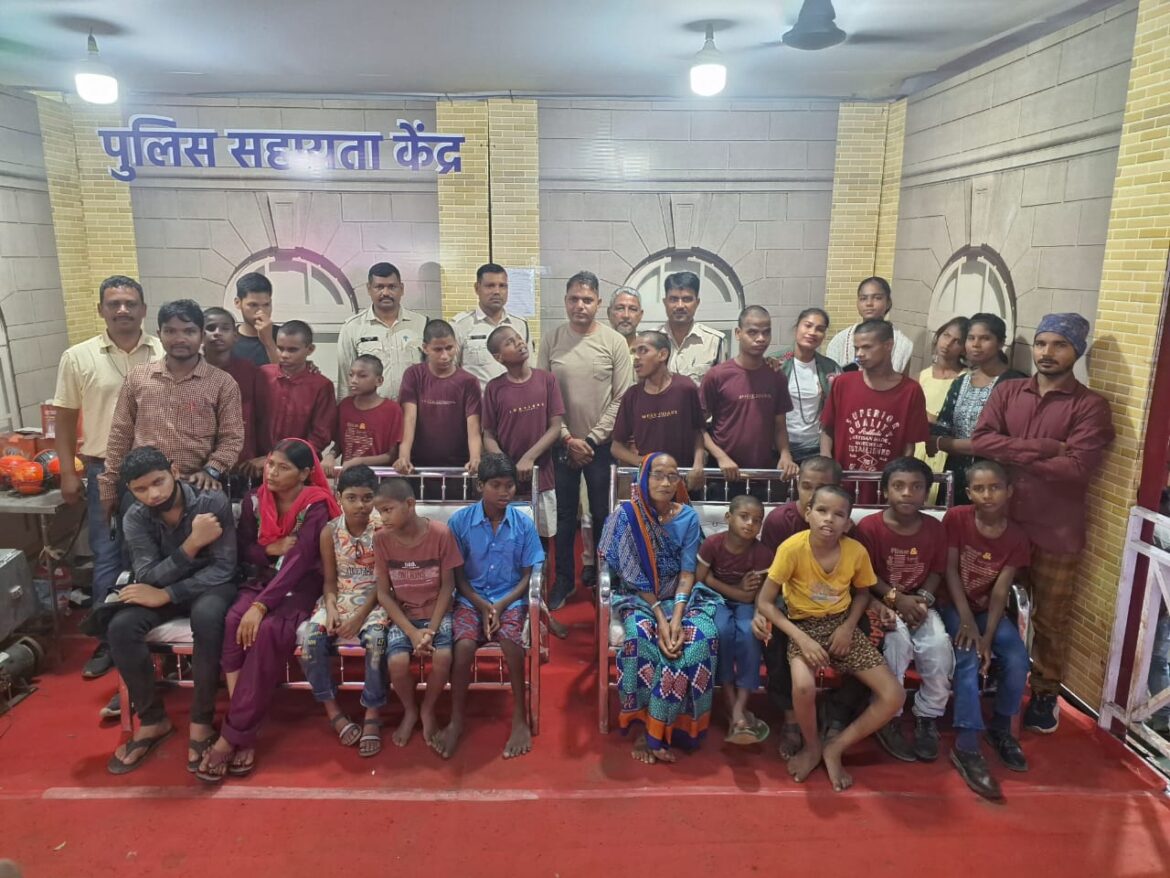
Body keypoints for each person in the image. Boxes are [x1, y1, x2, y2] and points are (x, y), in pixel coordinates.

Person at [972, 312, 1115, 734]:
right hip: (1002, 524)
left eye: (1059, 345)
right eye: (1040, 343)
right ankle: (995, 677)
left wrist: (1014, 453)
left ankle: (1045, 694)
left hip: (1057, 531)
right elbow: (982, 440)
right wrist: (1048, 448)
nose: (1047, 352)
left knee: (1051, 620)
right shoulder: (1009, 390)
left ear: (1077, 351)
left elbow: (1078, 469)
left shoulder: (1090, 405)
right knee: (991, 603)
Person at [197, 439, 341, 782]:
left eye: (283, 467)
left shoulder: (316, 505)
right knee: (234, 621)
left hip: (302, 585)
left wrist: (261, 606)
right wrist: (269, 550)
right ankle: (245, 728)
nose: (272, 472)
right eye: (270, 464)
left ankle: (233, 735)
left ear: (304, 473)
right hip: (261, 579)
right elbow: (245, 548)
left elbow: (301, 560)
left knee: (269, 631)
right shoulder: (254, 500)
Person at [754, 485, 904, 792]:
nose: (829, 519)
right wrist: (802, 639)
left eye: (838, 514)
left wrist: (848, 628)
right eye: (822, 511)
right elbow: (765, 603)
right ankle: (812, 747)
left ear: (847, 523)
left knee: (894, 696)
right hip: (802, 627)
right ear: (808, 513)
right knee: (803, 686)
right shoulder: (791, 548)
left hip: (840, 627)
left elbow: (862, 593)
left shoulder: (855, 551)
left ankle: (835, 747)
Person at [52, 274, 164, 680]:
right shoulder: (78, 357)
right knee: (108, 553)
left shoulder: (163, 351)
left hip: (157, 471)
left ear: (143, 309)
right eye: (114, 303)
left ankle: (151, 635)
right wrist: (68, 472)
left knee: (155, 551)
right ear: (101, 309)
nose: (122, 310)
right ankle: (107, 639)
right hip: (104, 470)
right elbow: (65, 419)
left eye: (130, 303)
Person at [103, 447, 237, 774]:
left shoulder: (210, 501)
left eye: (158, 482)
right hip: (161, 591)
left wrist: (167, 593)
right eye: (141, 489)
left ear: (174, 471)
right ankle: (152, 721)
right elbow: (147, 575)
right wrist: (191, 545)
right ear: (130, 490)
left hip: (210, 587)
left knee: (207, 617)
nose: (153, 494)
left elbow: (224, 568)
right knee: (121, 627)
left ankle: (201, 721)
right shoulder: (135, 516)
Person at [597, 453, 719, 763]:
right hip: (639, 597)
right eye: (658, 475)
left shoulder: (687, 517)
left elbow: (688, 572)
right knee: (640, 639)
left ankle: (677, 726)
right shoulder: (626, 516)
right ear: (643, 478)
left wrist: (675, 618)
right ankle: (645, 727)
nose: (665, 482)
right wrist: (661, 621)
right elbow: (632, 576)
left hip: (680, 597)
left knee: (701, 637)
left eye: (672, 476)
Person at [756, 455, 868, 755]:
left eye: (822, 487)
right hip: (787, 597)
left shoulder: (844, 525)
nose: (812, 494)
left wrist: (849, 624)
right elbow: (767, 577)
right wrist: (759, 611)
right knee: (774, 636)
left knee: (869, 635)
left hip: (836, 602)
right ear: (797, 485)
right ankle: (791, 718)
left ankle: (838, 711)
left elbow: (859, 582)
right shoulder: (779, 520)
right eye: (806, 486)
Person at [538, 272, 634, 610]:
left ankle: (605, 580)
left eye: (587, 300)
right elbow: (543, 393)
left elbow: (622, 397)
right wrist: (567, 438)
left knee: (604, 515)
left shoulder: (614, 342)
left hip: (601, 447)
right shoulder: (551, 339)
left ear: (598, 303)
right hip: (561, 445)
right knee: (565, 518)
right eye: (574, 299)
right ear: (566, 301)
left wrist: (591, 440)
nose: (580, 305)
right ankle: (563, 581)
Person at [440, 454, 543, 759]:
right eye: (495, 485)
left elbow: (528, 575)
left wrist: (500, 604)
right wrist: (482, 605)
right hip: (470, 598)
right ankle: (456, 719)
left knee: (511, 642)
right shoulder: (460, 522)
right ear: (480, 485)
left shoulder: (523, 524)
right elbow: (458, 576)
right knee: (463, 647)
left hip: (510, 598)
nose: (504, 492)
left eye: (509, 485)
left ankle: (519, 718)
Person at [100, 299, 244, 519]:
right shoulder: (138, 377)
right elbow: (120, 434)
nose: (180, 339)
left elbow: (232, 437)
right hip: (143, 489)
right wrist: (109, 486)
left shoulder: (222, 383)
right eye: (170, 331)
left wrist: (211, 469)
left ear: (201, 334)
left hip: (197, 487)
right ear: (159, 334)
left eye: (189, 331)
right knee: (139, 540)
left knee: (204, 541)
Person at [940, 460, 1032, 801]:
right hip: (952, 605)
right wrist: (966, 622)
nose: (987, 494)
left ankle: (1001, 728)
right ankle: (966, 744)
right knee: (966, 656)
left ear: (1009, 491)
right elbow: (950, 571)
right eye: (979, 488)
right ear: (969, 493)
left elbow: (999, 591)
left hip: (985, 611)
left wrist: (988, 639)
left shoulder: (1017, 536)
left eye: (994, 487)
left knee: (1017, 659)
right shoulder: (956, 518)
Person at [855, 457, 951, 764]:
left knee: (938, 646)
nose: (907, 493)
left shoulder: (934, 528)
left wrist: (921, 600)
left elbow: (937, 570)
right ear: (885, 491)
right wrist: (897, 599)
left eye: (916, 487)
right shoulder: (869, 528)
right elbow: (866, 575)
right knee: (897, 644)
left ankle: (928, 714)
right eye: (898, 486)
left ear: (926, 492)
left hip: (920, 603)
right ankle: (889, 714)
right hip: (882, 603)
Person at [298, 465, 389, 758]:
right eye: (352, 498)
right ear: (339, 498)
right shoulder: (330, 531)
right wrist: (332, 608)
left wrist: (359, 618)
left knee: (377, 641)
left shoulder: (383, 531)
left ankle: (373, 711)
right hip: (340, 597)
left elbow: (384, 582)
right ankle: (332, 709)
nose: (360, 505)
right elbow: (329, 580)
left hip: (375, 599)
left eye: (367, 497)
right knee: (311, 640)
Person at [372, 477, 461, 751]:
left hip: (437, 612)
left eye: (388, 510)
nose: (382, 517)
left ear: (410, 504)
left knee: (443, 657)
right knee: (397, 663)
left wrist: (430, 630)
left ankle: (428, 709)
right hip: (405, 615)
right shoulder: (381, 539)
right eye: (380, 511)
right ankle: (410, 709)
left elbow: (448, 586)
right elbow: (383, 593)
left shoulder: (441, 534)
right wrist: (412, 632)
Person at [820, 319, 930, 502]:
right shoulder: (843, 383)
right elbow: (827, 428)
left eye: (867, 347)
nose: (859, 354)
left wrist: (897, 483)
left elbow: (909, 446)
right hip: (843, 484)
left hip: (885, 488)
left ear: (888, 345)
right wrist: (827, 464)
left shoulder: (910, 391)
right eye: (856, 348)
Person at [696, 494, 773, 744]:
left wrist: (759, 613)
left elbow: (757, 593)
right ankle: (731, 703)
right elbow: (700, 578)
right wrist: (737, 590)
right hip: (714, 600)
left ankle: (740, 706)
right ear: (728, 517)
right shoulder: (712, 544)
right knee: (721, 632)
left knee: (750, 633)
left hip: (746, 605)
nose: (750, 523)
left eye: (757, 520)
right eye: (744, 516)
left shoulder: (761, 553)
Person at [928, 313, 1028, 504]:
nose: (976, 344)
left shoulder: (1015, 383)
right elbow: (942, 426)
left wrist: (943, 443)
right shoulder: (961, 382)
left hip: (994, 479)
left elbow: (1005, 442)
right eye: (971, 338)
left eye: (985, 338)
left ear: (1001, 343)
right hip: (957, 476)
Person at [483, 324, 564, 550]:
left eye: (519, 338)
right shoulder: (494, 388)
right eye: (510, 342)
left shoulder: (546, 380)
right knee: (509, 541)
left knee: (541, 542)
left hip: (542, 477)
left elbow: (555, 427)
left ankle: (542, 574)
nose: (519, 343)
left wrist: (529, 458)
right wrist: (506, 467)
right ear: (498, 357)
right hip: (507, 482)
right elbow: (488, 434)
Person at [701, 305, 798, 494]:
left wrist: (785, 454)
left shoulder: (776, 376)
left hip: (763, 475)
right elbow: (697, 426)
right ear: (738, 333)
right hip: (723, 476)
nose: (760, 338)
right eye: (752, 332)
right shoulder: (717, 375)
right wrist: (720, 457)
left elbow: (780, 425)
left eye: (766, 332)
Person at [612, 330, 705, 494]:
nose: (636, 358)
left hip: (683, 480)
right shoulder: (632, 395)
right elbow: (616, 447)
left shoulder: (685, 387)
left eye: (643, 350)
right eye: (634, 352)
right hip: (649, 482)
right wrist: (645, 462)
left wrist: (698, 464)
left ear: (662, 354)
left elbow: (699, 431)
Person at [394, 319, 483, 474]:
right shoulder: (414, 375)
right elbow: (409, 418)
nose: (445, 356)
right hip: (418, 464)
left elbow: (473, 426)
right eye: (438, 350)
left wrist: (475, 457)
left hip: (459, 465)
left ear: (456, 345)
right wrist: (403, 456)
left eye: (449, 348)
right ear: (425, 348)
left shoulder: (469, 382)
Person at [249, 321, 337, 474]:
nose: (284, 355)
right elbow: (248, 421)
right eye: (280, 348)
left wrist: (277, 459)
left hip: (299, 469)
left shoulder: (321, 386)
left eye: (292, 350)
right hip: (255, 466)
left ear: (310, 349)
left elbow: (320, 436)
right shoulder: (261, 375)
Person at [336, 262, 426, 401]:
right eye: (379, 287)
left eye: (392, 287)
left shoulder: (421, 323)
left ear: (401, 289)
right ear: (369, 289)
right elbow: (345, 382)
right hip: (370, 411)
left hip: (413, 410)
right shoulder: (352, 328)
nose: (385, 293)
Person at [768, 308, 841, 463]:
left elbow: (835, 414)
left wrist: (826, 453)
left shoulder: (830, 368)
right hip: (777, 448)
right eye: (807, 325)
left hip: (815, 448)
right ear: (796, 328)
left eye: (820, 329)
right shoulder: (773, 363)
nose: (812, 332)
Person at [453, 263, 531, 391]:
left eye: (502, 286)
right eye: (490, 286)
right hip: (478, 402)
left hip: (514, 401)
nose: (497, 292)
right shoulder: (460, 326)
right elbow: (450, 374)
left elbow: (528, 369)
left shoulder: (519, 325)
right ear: (477, 288)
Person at [203, 307, 259, 468]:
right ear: (200, 334)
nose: (217, 333)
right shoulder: (190, 371)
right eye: (211, 328)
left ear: (235, 336)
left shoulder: (249, 371)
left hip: (244, 463)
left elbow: (261, 417)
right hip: (201, 462)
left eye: (225, 328)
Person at [915, 317, 968, 482]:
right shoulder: (921, 376)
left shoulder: (966, 379)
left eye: (957, 341)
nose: (948, 343)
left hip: (947, 449)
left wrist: (926, 416)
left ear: (964, 349)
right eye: (946, 335)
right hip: (919, 447)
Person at [329, 354, 403, 472]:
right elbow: (340, 443)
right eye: (351, 375)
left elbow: (392, 455)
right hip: (349, 478)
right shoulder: (345, 406)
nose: (354, 380)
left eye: (362, 376)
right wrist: (330, 456)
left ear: (379, 381)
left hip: (378, 478)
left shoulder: (392, 410)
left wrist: (360, 461)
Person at [825, 277, 914, 374]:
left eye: (877, 298)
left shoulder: (903, 344)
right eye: (863, 298)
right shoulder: (839, 341)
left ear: (888, 302)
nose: (869, 303)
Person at [658, 271, 726, 385]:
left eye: (687, 299)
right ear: (665, 302)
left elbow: (721, 387)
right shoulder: (650, 340)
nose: (680, 306)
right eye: (674, 299)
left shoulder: (714, 341)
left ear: (697, 302)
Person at [231, 272, 279, 366]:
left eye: (266, 305)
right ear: (238, 303)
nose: (261, 312)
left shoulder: (285, 336)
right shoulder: (229, 340)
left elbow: (289, 373)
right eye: (253, 305)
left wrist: (269, 342)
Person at [607, 286, 644, 350]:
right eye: (620, 308)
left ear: (640, 315)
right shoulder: (598, 347)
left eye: (632, 309)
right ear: (609, 313)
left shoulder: (647, 350)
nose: (626, 315)